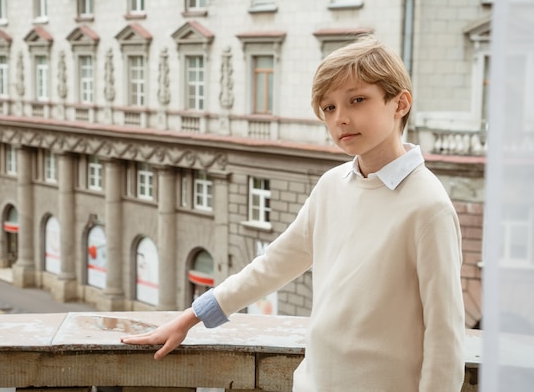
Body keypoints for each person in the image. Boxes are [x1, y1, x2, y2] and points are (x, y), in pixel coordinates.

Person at [121, 35, 465, 392]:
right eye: (329, 108)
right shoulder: (333, 185)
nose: (341, 119)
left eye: (357, 100)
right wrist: (189, 319)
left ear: (400, 104)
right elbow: (274, 264)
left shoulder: (429, 207)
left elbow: (445, 342)